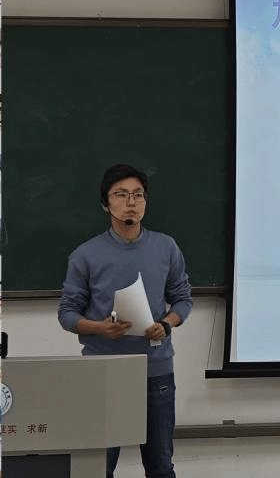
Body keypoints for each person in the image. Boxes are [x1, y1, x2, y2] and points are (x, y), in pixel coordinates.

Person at [58, 163, 193, 478]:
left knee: (161, 466)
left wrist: (167, 324)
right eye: (121, 195)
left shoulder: (165, 247)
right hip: (104, 372)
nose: (131, 202)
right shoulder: (85, 255)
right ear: (105, 204)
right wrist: (99, 328)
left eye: (138, 195)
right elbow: (67, 314)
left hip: (155, 371)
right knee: (99, 467)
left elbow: (183, 300)